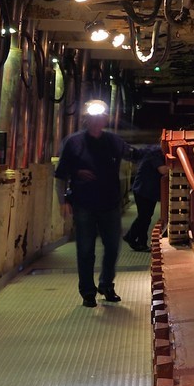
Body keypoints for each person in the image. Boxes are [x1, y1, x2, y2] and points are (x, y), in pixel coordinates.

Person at [56, 100, 134, 307]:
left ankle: (106, 285)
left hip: (110, 203)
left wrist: (160, 152)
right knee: (85, 249)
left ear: (106, 118)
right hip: (84, 203)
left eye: (101, 116)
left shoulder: (113, 141)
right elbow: (61, 174)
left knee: (112, 247)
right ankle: (88, 292)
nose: (98, 120)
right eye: (93, 117)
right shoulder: (74, 142)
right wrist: (63, 200)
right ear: (86, 119)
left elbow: (133, 154)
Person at [124, 144, 168, 251]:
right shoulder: (155, 153)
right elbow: (163, 170)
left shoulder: (154, 152)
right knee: (144, 217)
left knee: (145, 217)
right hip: (143, 190)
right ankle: (132, 238)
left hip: (146, 190)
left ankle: (139, 241)